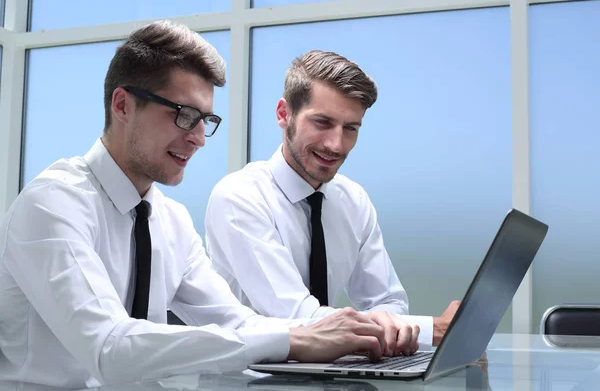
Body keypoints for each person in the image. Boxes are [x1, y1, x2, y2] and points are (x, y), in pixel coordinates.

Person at [0, 22, 419, 389]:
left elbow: (235, 322)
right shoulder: (53, 205)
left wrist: (342, 335)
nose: (199, 138)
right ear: (123, 104)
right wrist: (297, 339)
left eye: (206, 120)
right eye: (184, 115)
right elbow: (111, 349)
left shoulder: (169, 219)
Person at [205, 50, 460, 350]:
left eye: (350, 128)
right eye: (323, 122)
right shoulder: (239, 197)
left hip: (335, 372)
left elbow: (388, 302)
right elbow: (301, 319)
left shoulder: (353, 200)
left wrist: (396, 326)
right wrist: (434, 330)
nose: (336, 145)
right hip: (250, 378)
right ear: (283, 114)